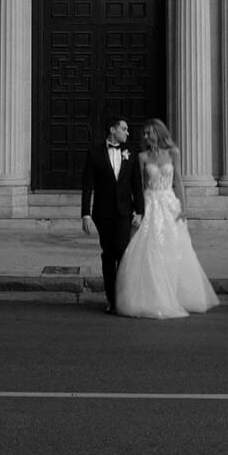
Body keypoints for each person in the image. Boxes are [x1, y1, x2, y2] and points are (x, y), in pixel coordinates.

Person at [114, 118, 219, 319]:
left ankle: (174, 294)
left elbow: (178, 180)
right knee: (150, 250)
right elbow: (141, 186)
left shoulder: (173, 153)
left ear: (158, 134)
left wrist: (184, 207)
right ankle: (151, 297)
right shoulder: (142, 157)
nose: (145, 137)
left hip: (170, 203)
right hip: (150, 202)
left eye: (149, 133)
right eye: (144, 134)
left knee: (174, 250)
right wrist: (138, 210)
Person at [80, 115, 143, 314]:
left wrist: (140, 211)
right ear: (112, 130)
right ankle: (112, 300)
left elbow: (137, 186)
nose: (127, 132)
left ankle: (124, 298)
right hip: (103, 213)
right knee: (108, 256)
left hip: (125, 212)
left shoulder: (131, 153)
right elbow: (87, 185)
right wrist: (86, 215)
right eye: (124, 129)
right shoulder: (95, 153)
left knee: (123, 253)